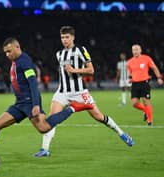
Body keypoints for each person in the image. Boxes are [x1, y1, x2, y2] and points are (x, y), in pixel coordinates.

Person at [0, 37, 93, 169]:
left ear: (17, 47)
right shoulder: (16, 62)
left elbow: (33, 83)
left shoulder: (24, 61)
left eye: (9, 51)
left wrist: (36, 105)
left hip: (29, 102)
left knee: (44, 128)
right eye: (5, 52)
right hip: (19, 104)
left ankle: (73, 108)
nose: (7, 55)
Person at [34, 26, 134, 157]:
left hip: (80, 92)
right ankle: (44, 149)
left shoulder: (81, 50)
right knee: (52, 119)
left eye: (67, 37)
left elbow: (91, 70)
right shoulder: (59, 54)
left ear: (73, 37)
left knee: (98, 116)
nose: (64, 40)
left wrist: (75, 70)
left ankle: (121, 133)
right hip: (62, 92)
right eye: (62, 37)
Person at [127, 44, 163, 126]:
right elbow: (130, 72)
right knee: (134, 103)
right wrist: (130, 78)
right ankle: (145, 111)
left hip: (144, 83)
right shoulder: (129, 62)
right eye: (134, 50)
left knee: (146, 101)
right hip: (135, 84)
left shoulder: (146, 58)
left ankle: (150, 121)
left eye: (137, 49)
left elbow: (154, 68)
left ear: (140, 50)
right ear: (132, 51)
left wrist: (159, 77)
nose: (135, 51)